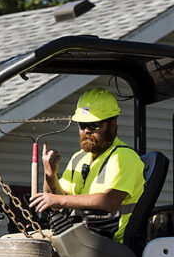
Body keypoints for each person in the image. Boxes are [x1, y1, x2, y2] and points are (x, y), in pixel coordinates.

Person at [29, 87, 145, 243]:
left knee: (31, 249)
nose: (87, 131)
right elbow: (57, 205)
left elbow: (109, 201)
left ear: (113, 124)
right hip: (80, 236)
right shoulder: (79, 158)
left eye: (94, 125)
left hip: (108, 243)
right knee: (20, 244)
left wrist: (58, 200)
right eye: (82, 125)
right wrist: (50, 174)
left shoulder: (123, 157)